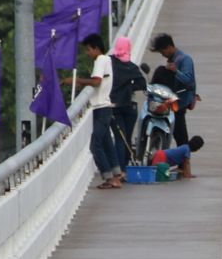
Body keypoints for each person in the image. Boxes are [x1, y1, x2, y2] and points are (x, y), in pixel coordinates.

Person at [63, 33, 122, 189]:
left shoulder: (100, 60)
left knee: (95, 145)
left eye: (88, 50)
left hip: (101, 108)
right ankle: (116, 174)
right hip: (103, 108)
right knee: (107, 144)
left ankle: (109, 177)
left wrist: (75, 80)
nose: (87, 53)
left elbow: (96, 82)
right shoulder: (107, 60)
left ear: (96, 48)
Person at [150, 32, 198, 146]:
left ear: (169, 47)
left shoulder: (185, 60)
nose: (163, 55)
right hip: (170, 103)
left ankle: (184, 156)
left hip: (179, 103)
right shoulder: (173, 60)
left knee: (180, 135)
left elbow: (188, 80)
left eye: (163, 52)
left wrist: (176, 71)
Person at [108, 36, 145, 171]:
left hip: (114, 106)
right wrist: (129, 87)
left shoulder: (109, 62)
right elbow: (143, 84)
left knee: (120, 138)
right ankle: (125, 167)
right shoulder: (131, 67)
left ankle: (120, 169)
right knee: (127, 138)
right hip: (130, 106)